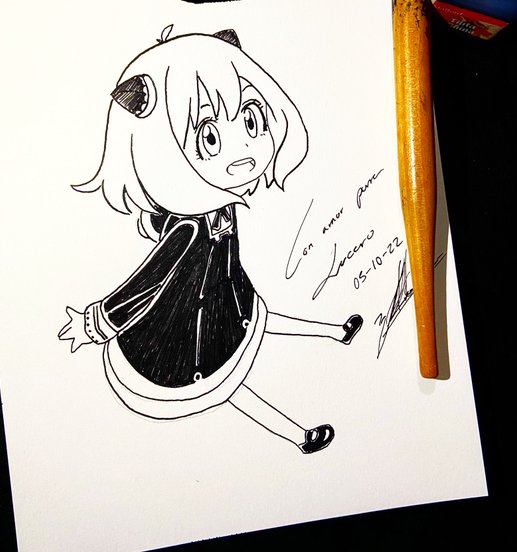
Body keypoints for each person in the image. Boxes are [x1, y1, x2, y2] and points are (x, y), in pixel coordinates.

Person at [58, 27, 362, 453]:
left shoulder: (218, 201)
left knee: (260, 320)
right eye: (210, 137)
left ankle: (335, 332)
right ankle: (300, 436)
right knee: (229, 384)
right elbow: (146, 283)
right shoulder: (188, 227)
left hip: (228, 295)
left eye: (251, 120)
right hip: (188, 335)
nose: (244, 154)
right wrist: (97, 323)